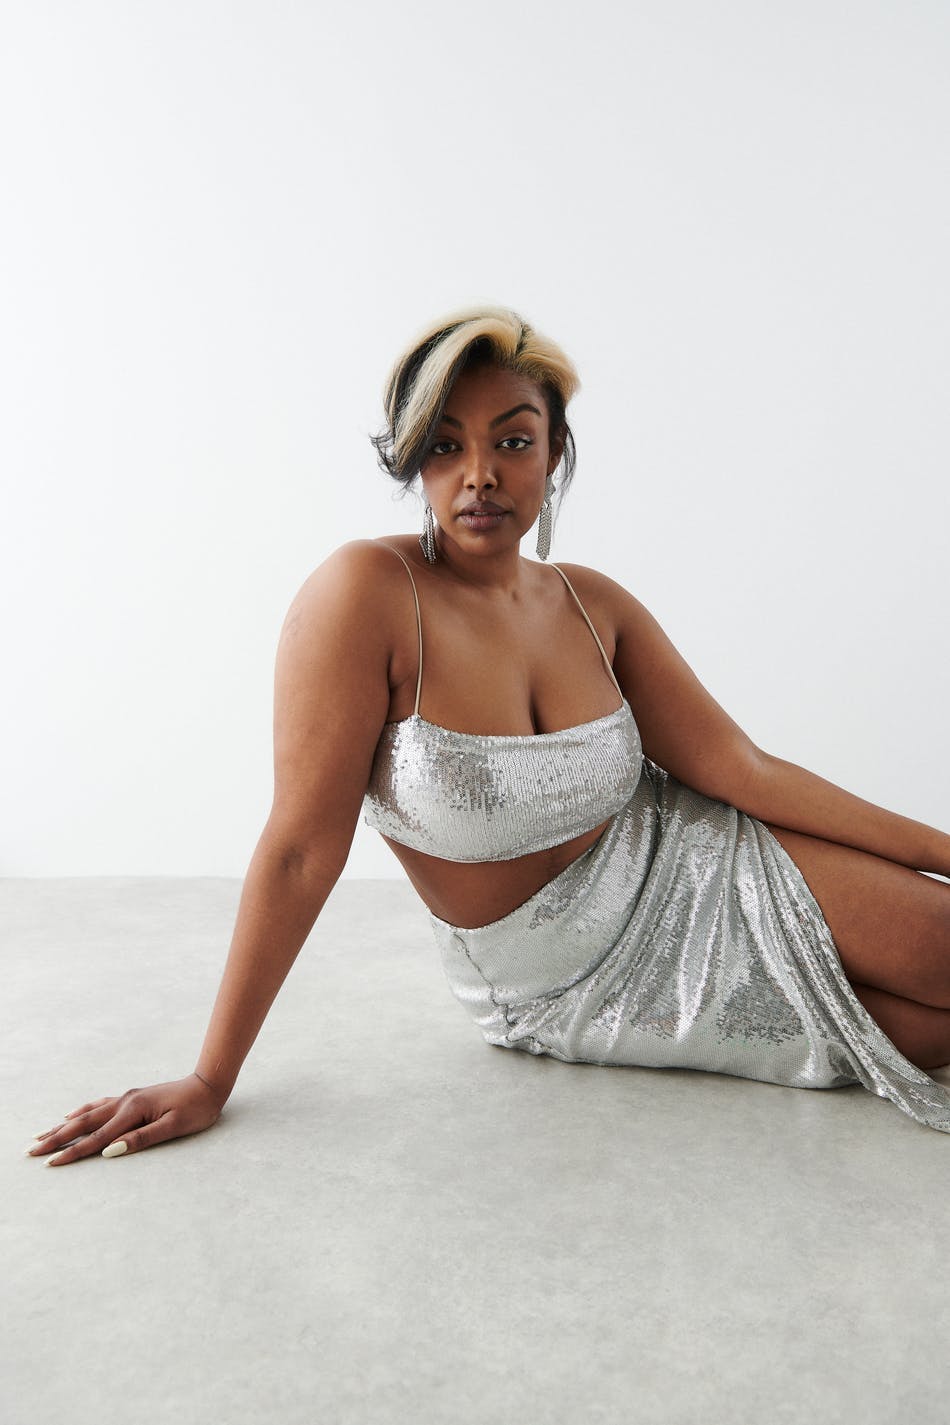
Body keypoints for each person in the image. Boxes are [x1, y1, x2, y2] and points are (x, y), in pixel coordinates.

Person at [28, 306, 950, 1165]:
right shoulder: (364, 596)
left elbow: (742, 769)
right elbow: (303, 849)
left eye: (513, 441)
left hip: (698, 864)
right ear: (412, 463)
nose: (480, 474)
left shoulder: (593, 603)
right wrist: (210, 1077)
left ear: (553, 455)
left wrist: (940, 849)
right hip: (563, 985)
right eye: (446, 445)